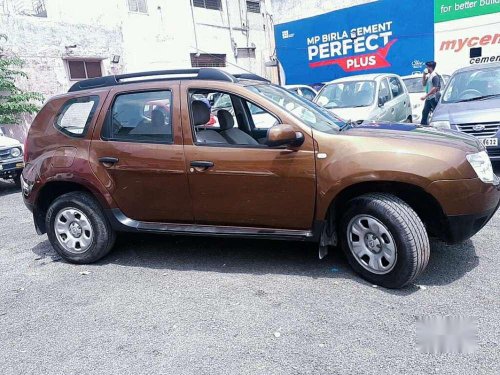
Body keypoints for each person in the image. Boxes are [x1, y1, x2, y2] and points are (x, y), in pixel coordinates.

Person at [420, 61, 441, 125]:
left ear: (430, 67)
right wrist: (424, 75)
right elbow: (423, 84)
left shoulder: (435, 76)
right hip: (429, 98)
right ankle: (423, 125)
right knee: (425, 112)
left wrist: (426, 96)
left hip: (434, 98)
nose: (426, 68)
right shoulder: (429, 76)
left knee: (436, 113)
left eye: (427, 67)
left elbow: (435, 88)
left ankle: (439, 125)